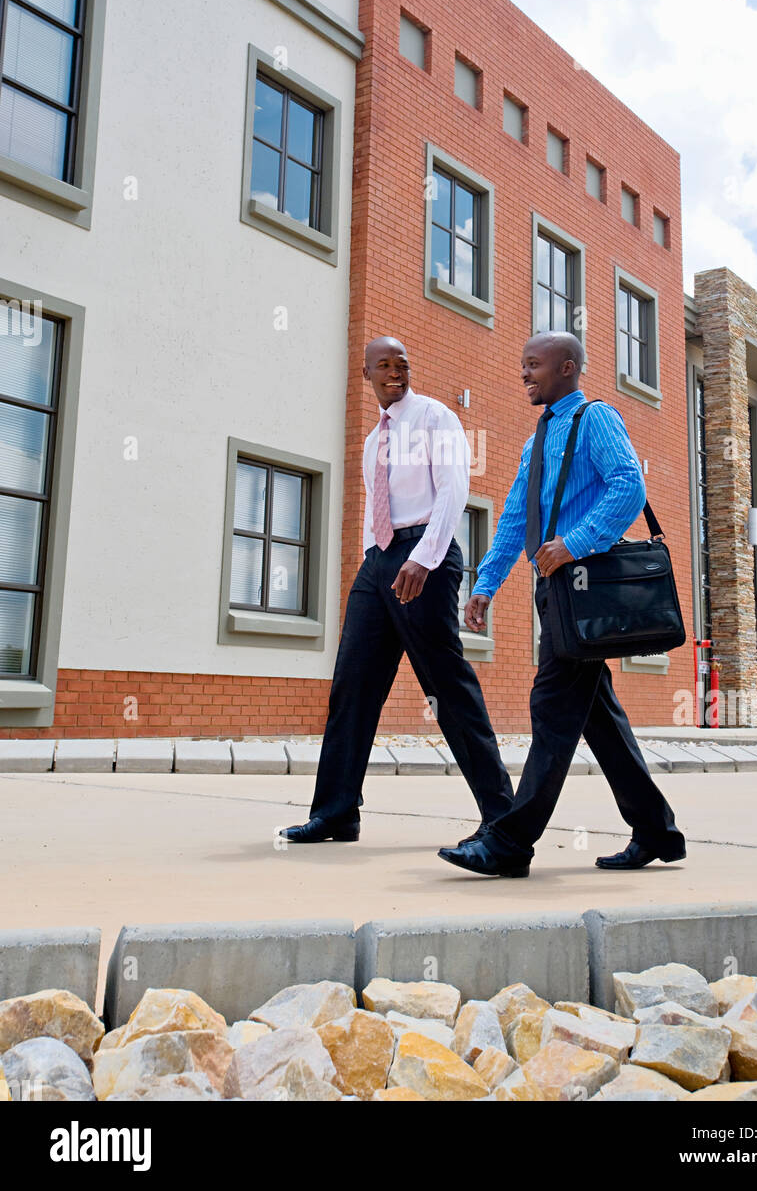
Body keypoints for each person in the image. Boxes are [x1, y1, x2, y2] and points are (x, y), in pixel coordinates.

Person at [438, 331, 685, 879]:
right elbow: (514, 518)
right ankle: (657, 831)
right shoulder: (538, 438)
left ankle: (509, 843)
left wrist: (575, 542)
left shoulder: (596, 419)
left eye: (534, 365)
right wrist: (486, 583)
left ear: (568, 367)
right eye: (523, 365)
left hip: (582, 583)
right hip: (555, 590)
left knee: (552, 709)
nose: (524, 374)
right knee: (599, 719)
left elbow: (628, 488)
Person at [280, 336, 514, 843]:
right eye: (382, 365)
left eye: (401, 364)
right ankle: (337, 811)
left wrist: (423, 559)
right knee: (352, 684)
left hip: (425, 558)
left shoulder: (435, 418)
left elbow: (455, 490)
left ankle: (502, 817)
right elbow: (375, 506)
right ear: (366, 374)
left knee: (446, 685)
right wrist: (373, 559)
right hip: (380, 561)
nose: (394, 372)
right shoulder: (372, 440)